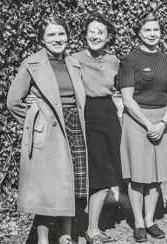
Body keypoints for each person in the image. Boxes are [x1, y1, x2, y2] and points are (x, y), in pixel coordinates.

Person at [7, 16, 87, 244]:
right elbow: (13, 101)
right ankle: (42, 239)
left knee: (71, 183)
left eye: (61, 33)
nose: (57, 39)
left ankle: (65, 235)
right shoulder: (32, 64)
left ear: (67, 36)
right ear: (42, 38)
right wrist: (38, 120)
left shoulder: (73, 63)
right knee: (47, 186)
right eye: (51, 34)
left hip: (74, 127)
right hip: (50, 133)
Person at [116, 12, 167, 243]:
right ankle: (138, 223)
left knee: (156, 175)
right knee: (138, 176)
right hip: (137, 121)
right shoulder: (129, 60)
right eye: (148, 30)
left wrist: (163, 123)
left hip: (162, 122)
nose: (153, 34)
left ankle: (150, 220)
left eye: (156, 30)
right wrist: (148, 123)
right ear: (138, 33)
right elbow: (127, 98)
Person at [72, 13, 121, 244]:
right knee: (100, 175)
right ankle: (91, 230)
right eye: (91, 31)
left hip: (110, 116)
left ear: (108, 36)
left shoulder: (114, 60)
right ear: (85, 34)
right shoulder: (73, 59)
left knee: (110, 171)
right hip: (87, 117)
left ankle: (93, 226)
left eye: (100, 32)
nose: (95, 36)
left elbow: (123, 89)